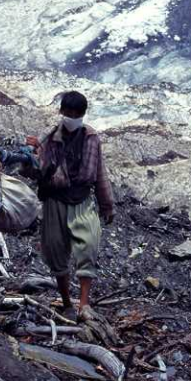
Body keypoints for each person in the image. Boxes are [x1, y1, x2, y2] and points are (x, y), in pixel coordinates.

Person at [33, 90, 114, 321]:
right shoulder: (48, 138)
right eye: (68, 112)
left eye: (77, 113)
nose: (72, 117)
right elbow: (35, 170)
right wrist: (32, 154)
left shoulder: (91, 138)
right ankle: (67, 302)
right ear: (61, 112)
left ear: (83, 114)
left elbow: (99, 173)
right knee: (56, 249)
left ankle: (84, 304)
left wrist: (107, 205)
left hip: (81, 198)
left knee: (88, 244)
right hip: (55, 200)